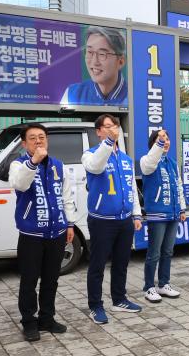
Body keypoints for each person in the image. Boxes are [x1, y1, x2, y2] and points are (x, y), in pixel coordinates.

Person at [8, 123, 76, 341]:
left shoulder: (57, 164)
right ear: (24, 143)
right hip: (31, 235)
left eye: (42, 137)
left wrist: (70, 223)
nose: (38, 141)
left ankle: (47, 318)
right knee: (29, 280)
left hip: (56, 233)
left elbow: (66, 195)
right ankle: (29, 321)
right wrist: (33, 161)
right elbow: (19, 184)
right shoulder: (18, 164)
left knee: (51, 279)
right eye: (33, 138)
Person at [82, 114, 142, 324]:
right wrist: (108, 143)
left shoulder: (125, 159)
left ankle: (119, 299)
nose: (112, 130)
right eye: (106, 127)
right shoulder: (90, 155)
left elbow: (131, 186)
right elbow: (96, 166)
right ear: (98, 132)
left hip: (124, 219)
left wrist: (136, 213)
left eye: (114, 126)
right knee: (97, 265)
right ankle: (95, 306)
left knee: (121, 262)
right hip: (101, 220)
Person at [140, 129, 186, 303]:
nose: (166, 142)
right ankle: (149, 287)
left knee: (168, 251)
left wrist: (181, 209)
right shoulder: (148, 161)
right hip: (157, 214)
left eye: (167, 139)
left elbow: (178, 185)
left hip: (173, 214)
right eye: (161, 139)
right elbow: (151, 162)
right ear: (154, 143)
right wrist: (158, 145)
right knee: (154, 253)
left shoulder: (172, 162)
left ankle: (164, 283)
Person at [61, 27, 127, 106]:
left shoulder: (135, 96)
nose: (94, 61)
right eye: (89, 52)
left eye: (102, 54)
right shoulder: (73, 95)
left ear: (120, 61)